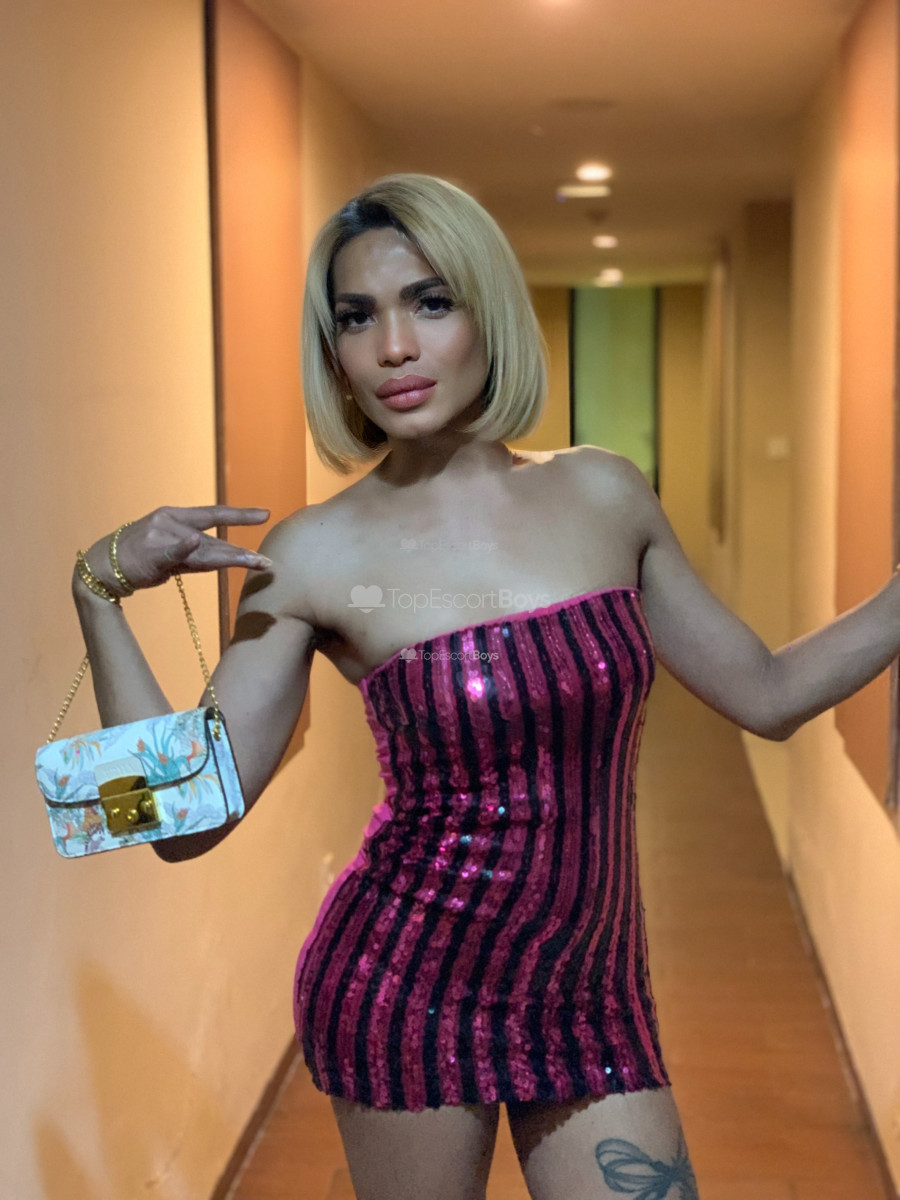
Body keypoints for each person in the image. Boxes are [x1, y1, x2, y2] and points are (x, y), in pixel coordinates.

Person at [72, 173, 900, 1200]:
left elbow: (767, 694)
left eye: (430, 302)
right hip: (402, 988)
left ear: (489, 311)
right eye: (357, 317)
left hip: (591, 992)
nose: (394, 347)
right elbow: (179, 820)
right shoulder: (313, 554)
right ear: (334, 351)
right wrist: (98, 591)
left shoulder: (604, 493)